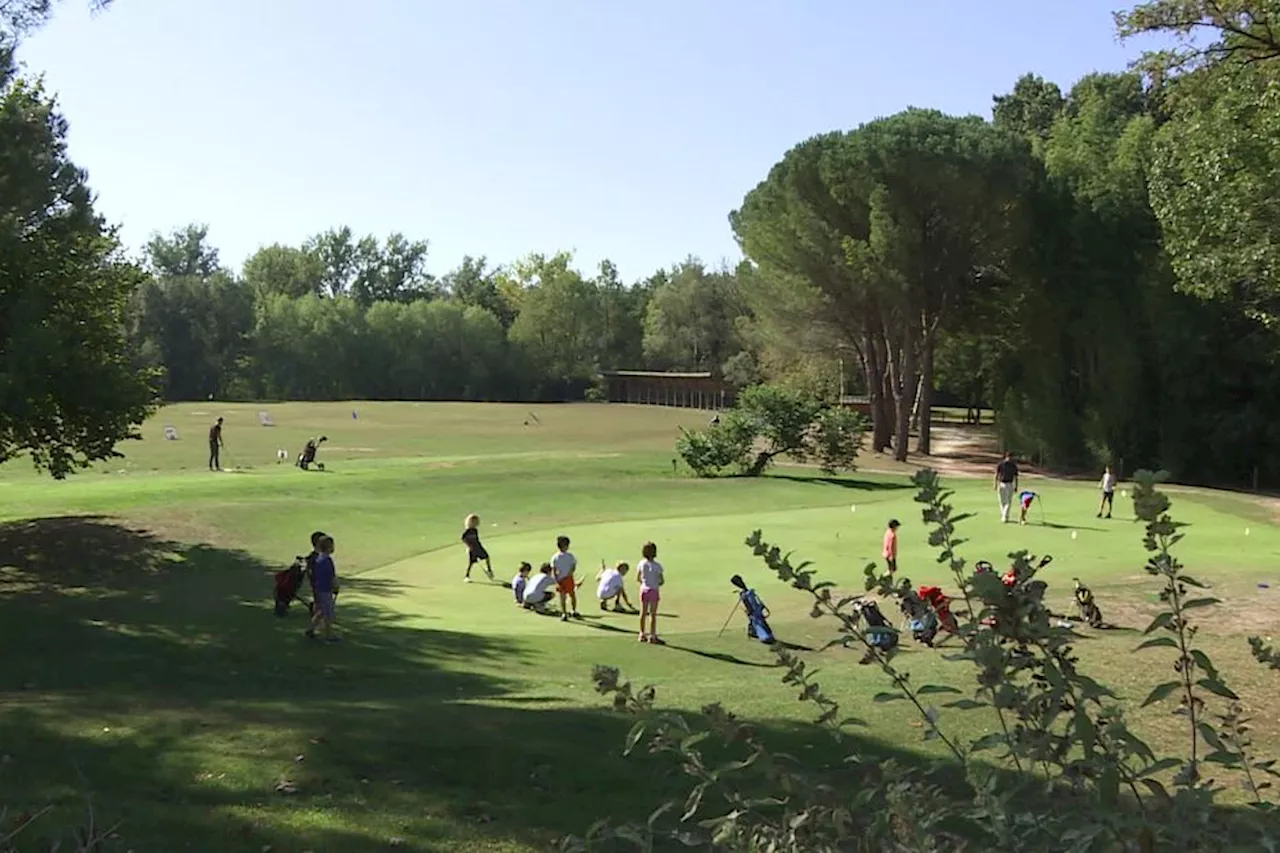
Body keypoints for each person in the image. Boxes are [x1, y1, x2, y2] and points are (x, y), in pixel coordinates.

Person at [307, 534, 340, 643]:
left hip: (319, 589)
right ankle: (328, 635)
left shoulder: (318, 559)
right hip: (325, 590)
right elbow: (331, 576)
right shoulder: (327, 560)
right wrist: (336, 587)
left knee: (321, 611)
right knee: (328, 613)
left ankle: (311, 629)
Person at [637, 541, 665, 644]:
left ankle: (642, 633)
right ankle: (652, 635)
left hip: (643, 589)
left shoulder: (641, 563)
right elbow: (661, 580)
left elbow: (638, 577)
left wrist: (644, 582)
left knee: (643, 613)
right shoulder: (657, 566)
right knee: (653, 614)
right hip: (653, 590)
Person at [550, 535, 579, 621]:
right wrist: (570, 574)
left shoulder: (555, 557)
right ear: (566, 546)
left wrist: (556, 579)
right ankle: (573, 610)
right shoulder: (570, 556)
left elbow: (554, 570)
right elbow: (573, 567)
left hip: (560, 579)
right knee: (572, 595)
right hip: (567, 579)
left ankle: (564, 613)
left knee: (563, 597)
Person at [461, 514, 494, 582]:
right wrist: (468, 547)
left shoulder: (475, 530)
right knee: (471, 563)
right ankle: (467, 576)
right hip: (472, 548)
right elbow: (463, 539)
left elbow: (477, 539)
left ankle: (489, 570)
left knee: (487, 557)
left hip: (478, 547)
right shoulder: (467, 531)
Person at [994, 451, 1019, 523]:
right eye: (1009, 457)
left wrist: (1016, 486)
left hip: (1010, 484)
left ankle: (1005, 516)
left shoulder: (1013, 466)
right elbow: (996, 474)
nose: (1010, 459)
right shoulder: (1001, 464)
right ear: (1006, 457)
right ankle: (1004, 515)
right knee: (1001, 501)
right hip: (1001, 484)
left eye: (1011, 457)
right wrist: (995, 484)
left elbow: (1016, 477)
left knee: (1008, 501)